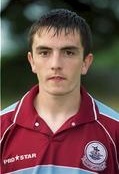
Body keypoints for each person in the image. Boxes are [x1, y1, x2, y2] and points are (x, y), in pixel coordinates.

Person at [1, 9, 119, 174]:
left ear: (86, 62)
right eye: (44, 52)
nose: (56, 64)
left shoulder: (115, 129)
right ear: (32, 61)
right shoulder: (2, 128)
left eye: (69, 52)